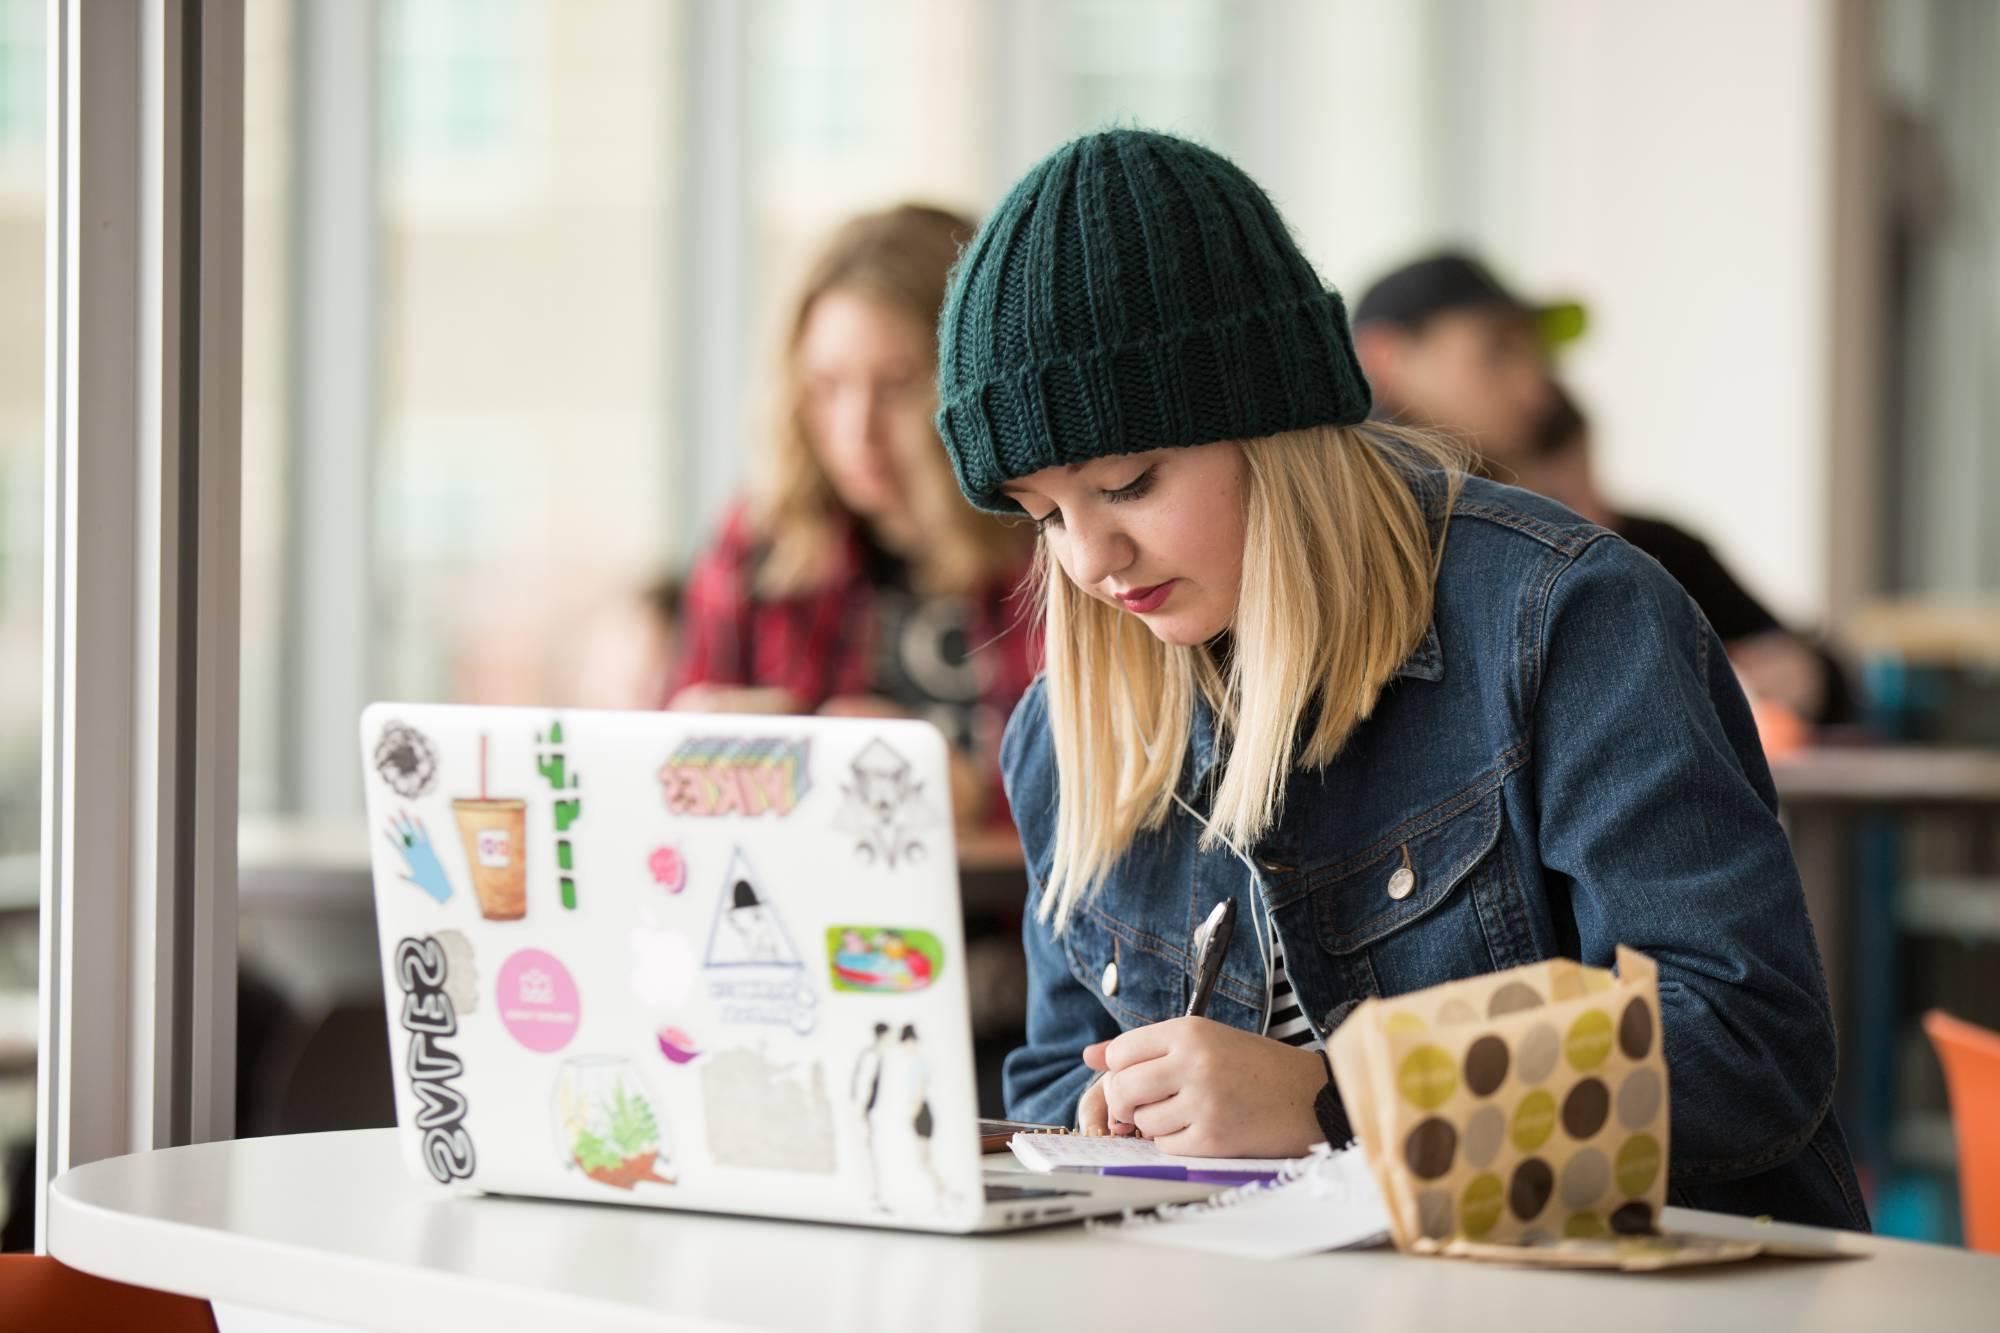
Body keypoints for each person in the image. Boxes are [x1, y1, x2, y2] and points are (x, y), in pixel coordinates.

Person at [934, 129, 1866, 1229]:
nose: (1090, 561)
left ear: (1274, 424)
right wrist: (1109, 1112)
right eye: (1044, 515)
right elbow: (1051, 1075)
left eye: (1127, 484)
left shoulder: (1564, 618)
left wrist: (1343, 1101)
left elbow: (1742, 1043)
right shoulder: (1069, 728)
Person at [1354, 254, 1850, 728]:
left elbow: (1825, 680)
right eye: (1497, 351)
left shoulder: (1646, 550)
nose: (1536, 388)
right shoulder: (1350, 544)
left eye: (1538, 355)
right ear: (1387, 358)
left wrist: (1806, 676)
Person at [668, 205, 1038, 828]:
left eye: (896, 384)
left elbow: (1130, 796)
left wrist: (975, 797)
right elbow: (674, 785)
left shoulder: (1060, 536)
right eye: (825, 385)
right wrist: (695, 741)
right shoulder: (761, 540)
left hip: (1013, 919)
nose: (854, 431)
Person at [1518, 383, 1853, 729]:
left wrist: (1808, 675)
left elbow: (1819, 671)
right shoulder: (1493, 583)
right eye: (1558, 501)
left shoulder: (1660, 550)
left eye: (1591, 483)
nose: (1593, 519)